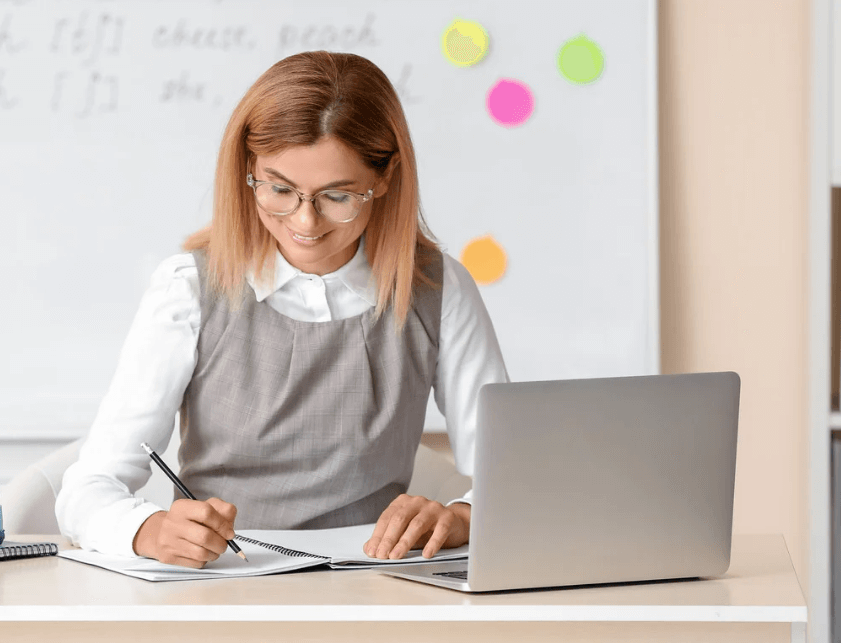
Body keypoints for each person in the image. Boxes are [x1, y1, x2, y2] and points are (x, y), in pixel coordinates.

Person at [55, 51, 508, 569]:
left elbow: (514, 475)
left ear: (384, 179)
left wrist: (465, 517)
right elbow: (85, 493)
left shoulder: (437, 288)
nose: (306, 221)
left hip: (373, 588)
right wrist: (148, 530)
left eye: (337, 195)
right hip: (223, 588)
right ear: (248, 171)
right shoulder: (189, 288)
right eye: (278, 189)